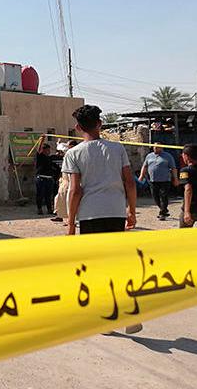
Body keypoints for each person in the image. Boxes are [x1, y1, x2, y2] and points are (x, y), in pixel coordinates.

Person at [63, 104, 140, 334]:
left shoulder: (74, 153)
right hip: (115, 212)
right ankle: (130, 312)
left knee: (96, 267)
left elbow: (75, 191)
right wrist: (132, 210)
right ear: (100, 124)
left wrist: (70, 223)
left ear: (78, 128)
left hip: (90, 215)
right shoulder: (117, 149)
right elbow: (129, 182)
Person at [138, 144, 178, 220]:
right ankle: (164, 210)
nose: (155, 149)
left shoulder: (168, 156)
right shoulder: (149, 156)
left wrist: (175, 179)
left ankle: (162, 213)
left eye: (157, 147)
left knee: (163, 196)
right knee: (155, 197)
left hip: (165, 180)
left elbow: (173, 168)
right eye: (154, 147)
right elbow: (145, 166)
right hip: (153, 180)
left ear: (161, 147)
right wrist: (141, 176)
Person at [51, 140, 77, 223]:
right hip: (64, 181)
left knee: (71, 201)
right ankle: (60, 216)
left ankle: (72, 220)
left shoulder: (75, 153)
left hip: (70, 181)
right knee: (59, 199)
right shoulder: (68, 154)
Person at [35, 139, 58, 215]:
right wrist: (42, 140)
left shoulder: (50, 158)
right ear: (43, 150)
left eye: (49, 150)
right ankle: (39, 209)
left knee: (49, 195)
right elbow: (38, 149)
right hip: (41, 178)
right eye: (47, 150)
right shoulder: (40, 157)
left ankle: (49, 209)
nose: (49, 151)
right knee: (40, 194)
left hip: (49, 179)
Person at [179, 143, 197, 227]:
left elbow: (188, 190)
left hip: (193, 208)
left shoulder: (185, 171)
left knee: (184, 236)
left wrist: (186, 211)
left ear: (186, 156)